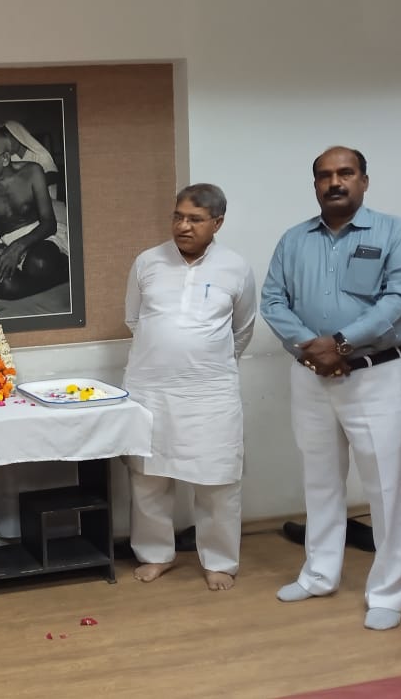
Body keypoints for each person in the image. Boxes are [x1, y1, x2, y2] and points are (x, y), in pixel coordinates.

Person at [261, 146, 401, 631]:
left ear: (364, 181)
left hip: (374, 375)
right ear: (315, 185)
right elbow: (273, 299)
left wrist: (342, 343)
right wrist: (310, 349)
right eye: (325, 175)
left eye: (345, 173)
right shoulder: (294, 240)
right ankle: (319, 573)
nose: (335, 182)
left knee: (387, 487)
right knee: (320, 478)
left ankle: (390, 591)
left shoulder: (395, 233)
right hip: (310, 375)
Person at [123, 183, 256, 591]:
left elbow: (243, 329)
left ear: (217, 223)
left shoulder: (236, 267)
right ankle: (155, 554)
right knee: (148, 478)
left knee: (217, 481)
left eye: (195, 219)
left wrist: (199, 361)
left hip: (210, 393)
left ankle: (219, 562)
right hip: (150, 389)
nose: (183, 225)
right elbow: (134, 320)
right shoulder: (147, 262)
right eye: (178, 216)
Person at [0, 128, 70, 300]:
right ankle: (63, 274)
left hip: (40, 236)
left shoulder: (32, 172)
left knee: (37, 263)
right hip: (6, 242)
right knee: (2, 286)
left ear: (5, 159)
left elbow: (49, 224)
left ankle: (59, 268)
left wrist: (17, 247)